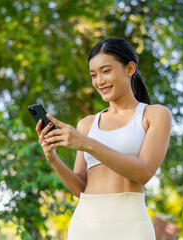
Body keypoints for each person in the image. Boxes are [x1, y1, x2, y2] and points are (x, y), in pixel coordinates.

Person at [35, 38, 172, 240]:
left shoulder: (155, 115)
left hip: (132, 226)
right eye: (94, 75)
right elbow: (80, 189)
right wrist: (53, 159)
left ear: (130, 68)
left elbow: (143, 172)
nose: (99, 81)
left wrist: (87, 143)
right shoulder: (86, 124)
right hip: (85, 226)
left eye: (106, 71)